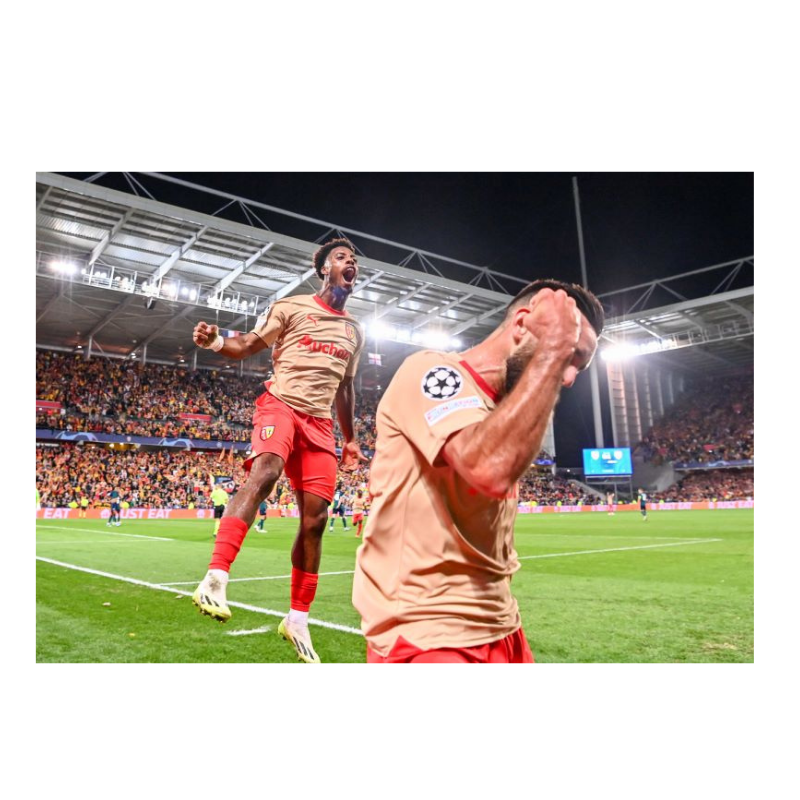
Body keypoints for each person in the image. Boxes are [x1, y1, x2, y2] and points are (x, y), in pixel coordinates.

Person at [353, 280, 603, 664]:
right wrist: (553, 350)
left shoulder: (503, 412)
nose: (568, 378)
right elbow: (487, 468)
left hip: (503, 626)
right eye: (571, 355)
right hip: (428, 633)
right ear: (522, 325)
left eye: (577, 367)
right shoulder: (431, 369)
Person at [192, 238, 367, 665]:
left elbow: (345, 388)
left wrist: (350, 439)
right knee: (266, 471)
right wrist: (216, 343)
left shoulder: (354, 332)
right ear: (324, 269)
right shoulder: (291, 308)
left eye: (355, 260)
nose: (351, 264)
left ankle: (297, 619)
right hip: (281, 405)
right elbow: (249, 345)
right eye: (342, 258)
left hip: (321, 424)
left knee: (317, 519)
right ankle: (215, 577)